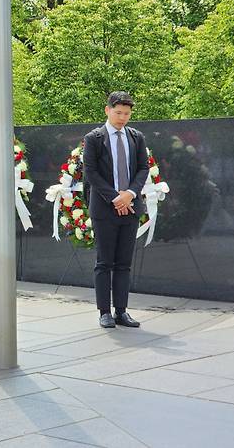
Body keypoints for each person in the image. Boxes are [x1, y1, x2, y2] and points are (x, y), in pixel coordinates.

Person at [83, 91, 149, 328]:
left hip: (130, 206)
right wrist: (115, 198)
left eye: (127, 113)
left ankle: (121, 311)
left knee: (124, 262)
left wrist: (129, 194)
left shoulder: (136, 137)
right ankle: (104, 312)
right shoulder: (94, 138)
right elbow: (91, 172)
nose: (122, 117)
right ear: (107, 110)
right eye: (118, 112)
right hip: (104, 208)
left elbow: (143, 168)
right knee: (104, 262)